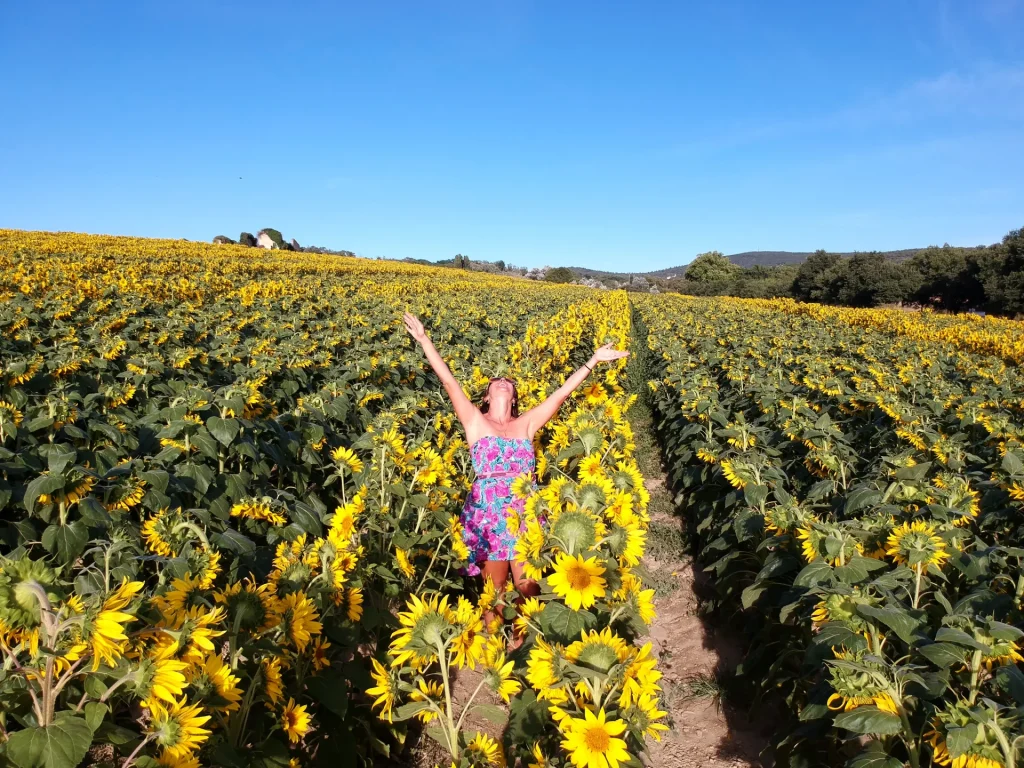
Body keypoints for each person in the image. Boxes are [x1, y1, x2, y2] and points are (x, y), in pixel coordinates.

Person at [402, 310, 629, 648]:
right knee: (495, 590)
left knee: (528, 587)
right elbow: (449, 381)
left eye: (509, 382)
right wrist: (424, 340)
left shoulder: (526, 424)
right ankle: (494, 647)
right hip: (489, 512)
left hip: (524, 509)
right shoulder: (475, 422)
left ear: (514, 396)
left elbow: (560, 395)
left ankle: (521, 648)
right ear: (487, 396)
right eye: (497, 382)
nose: (504, 381)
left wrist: (593, 360)